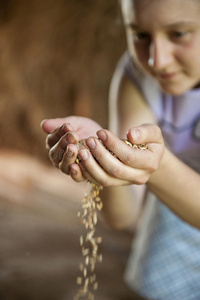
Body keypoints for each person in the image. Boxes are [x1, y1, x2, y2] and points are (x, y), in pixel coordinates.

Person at [41, 0, 200, 299]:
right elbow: (121, 215)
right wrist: (104, 160)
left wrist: (158, 167)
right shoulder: (139, 77)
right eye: (140, 34)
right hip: (172, 224)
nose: (157, 60)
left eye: (178, 33)